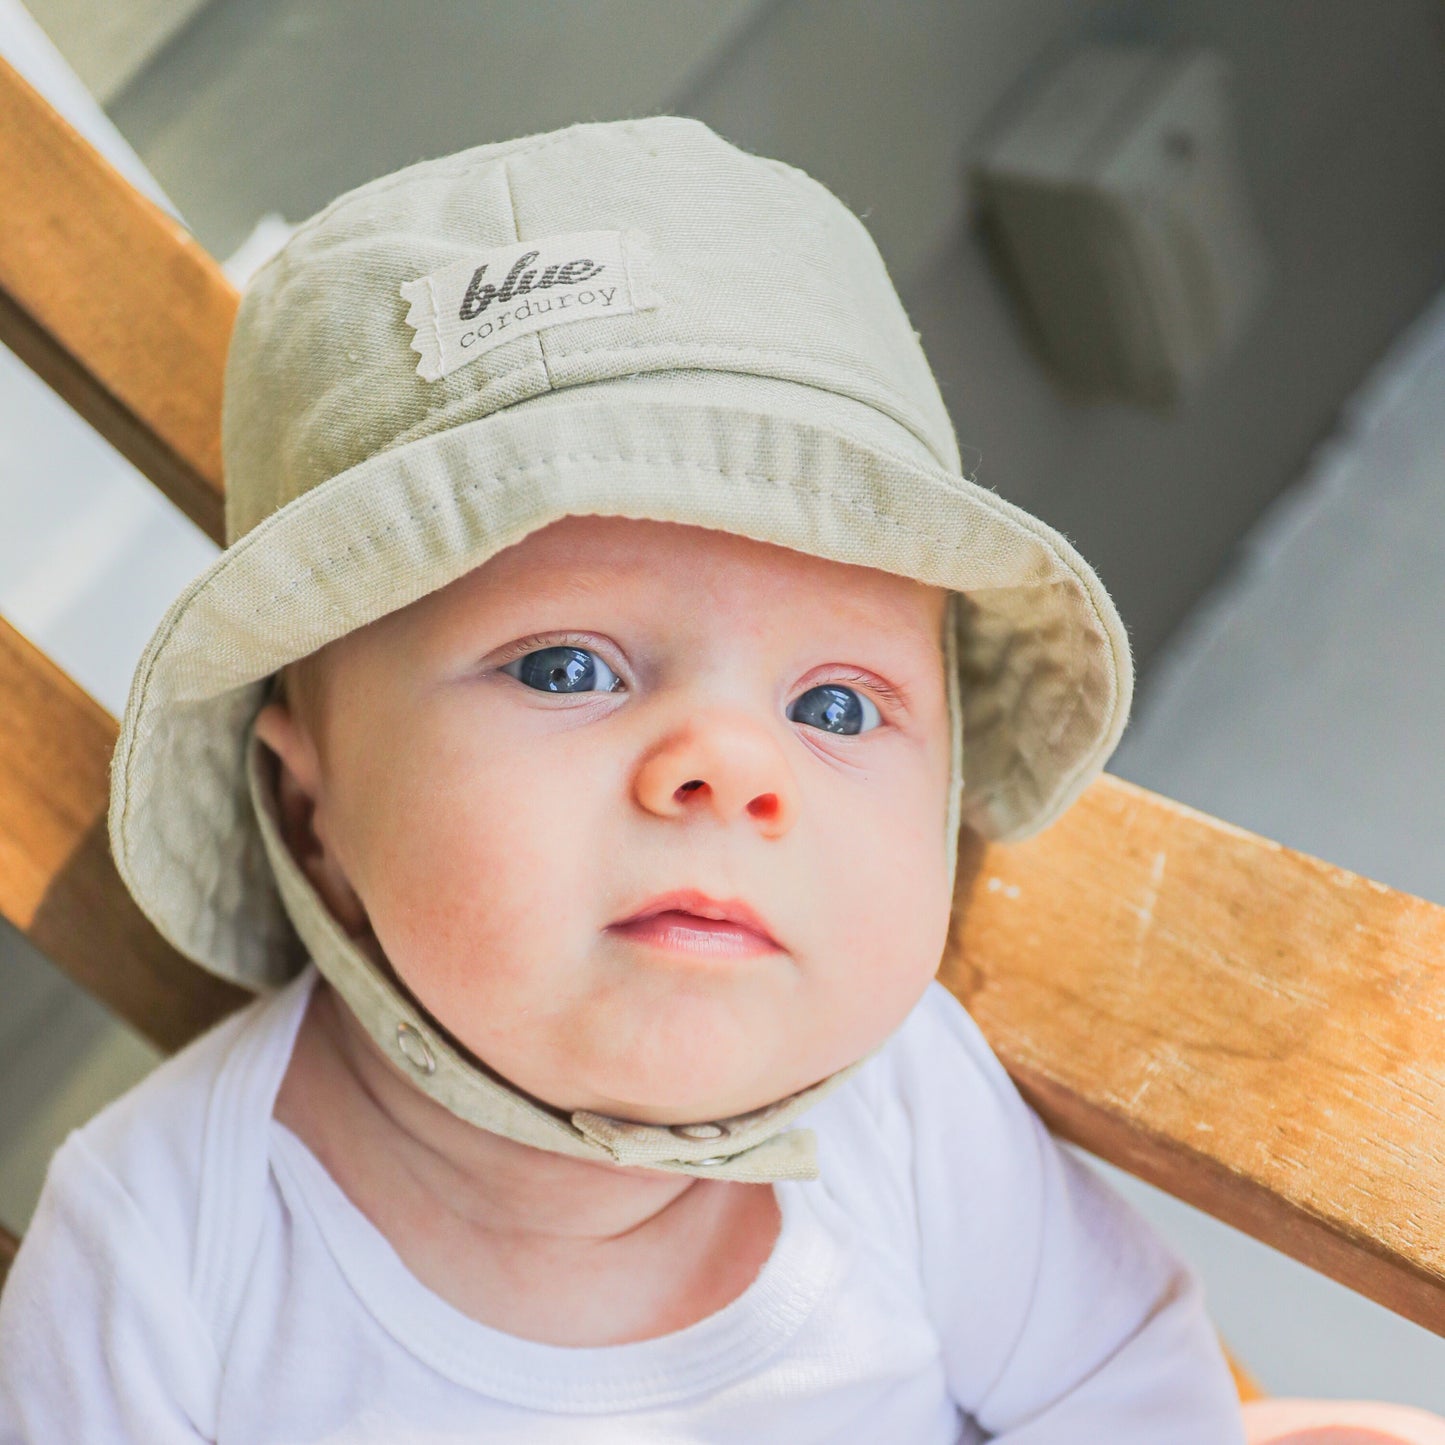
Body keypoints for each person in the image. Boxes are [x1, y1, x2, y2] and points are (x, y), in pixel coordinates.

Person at [0, 114, 1438, 1444]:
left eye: (832, 701)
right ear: (311, 810)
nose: (728, 769)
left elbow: (1111, 1377)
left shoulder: (902, 1107)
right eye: (567, 668)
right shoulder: (164, 1252)